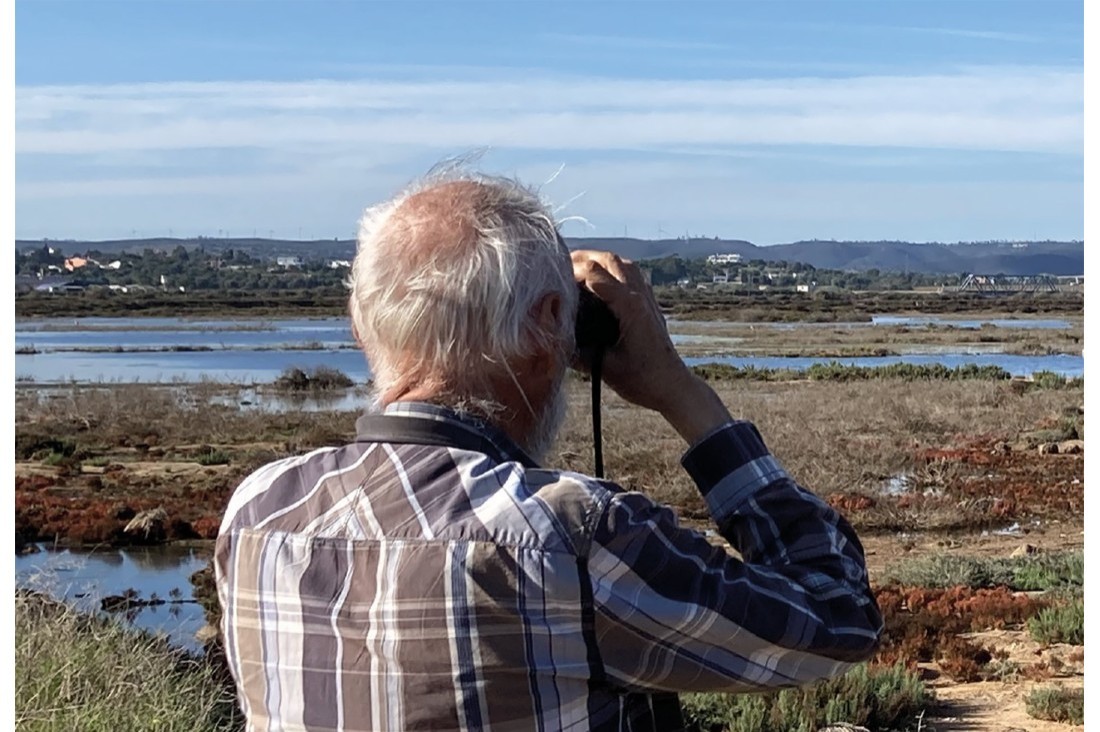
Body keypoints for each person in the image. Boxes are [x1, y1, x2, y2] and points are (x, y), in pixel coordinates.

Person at [215, 169, 883, 731]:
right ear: (549, 327)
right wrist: (684, 395)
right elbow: (837, 620)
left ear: (361, 326)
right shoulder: (573, 536)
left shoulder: (259, 513)